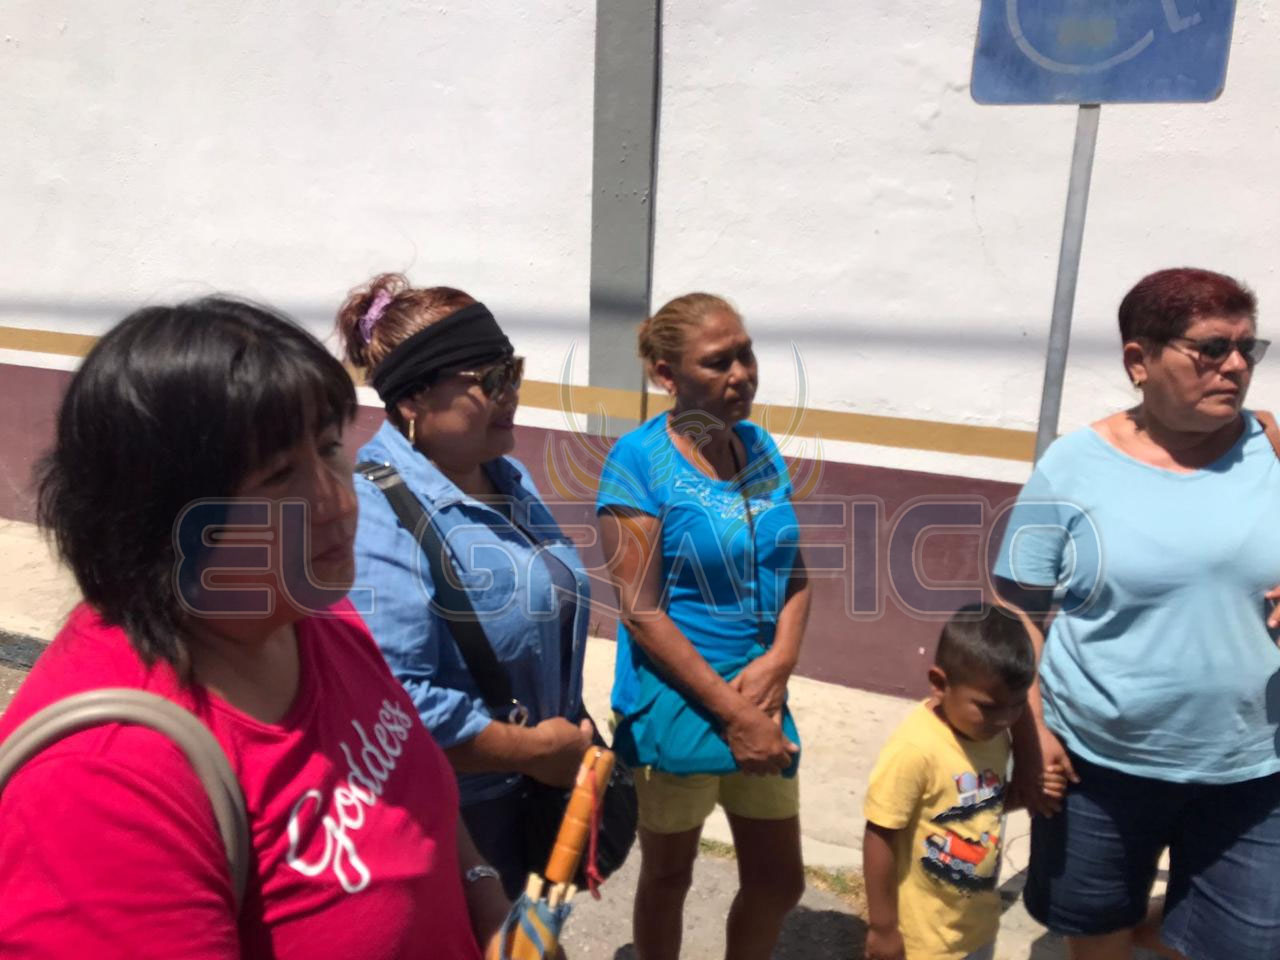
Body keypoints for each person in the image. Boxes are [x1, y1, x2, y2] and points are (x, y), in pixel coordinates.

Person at [0, 298, 505, 958]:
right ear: (162, 517)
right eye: (278, 476)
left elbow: (410, 783)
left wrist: (483, 893)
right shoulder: (102, 785)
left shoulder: (309, 611)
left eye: (329, 448)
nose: (337, 500)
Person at [994, 267, 1280, 960]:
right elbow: (1017, 607)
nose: (1236, 366)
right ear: (1138, 360)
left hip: (1253, 767)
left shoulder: (1272, 451)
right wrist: (1032, 731)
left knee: (1244, 945)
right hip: (1098, 763)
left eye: (1247, 348)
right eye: (1211, 348)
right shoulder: (1073, 465)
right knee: (1097, 933)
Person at [335, 273, 594, 899]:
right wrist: (534, 751)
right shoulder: (376, 514)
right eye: (490, 379)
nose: (512, 395)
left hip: (540, 793)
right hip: (461, 825)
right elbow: (399, 705)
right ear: (412, 400)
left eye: (514, 371)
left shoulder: (506, 475)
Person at [596, 292, 810, 960]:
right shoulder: (638, 462)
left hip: (761, 697)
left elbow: (795, 570)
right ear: (667, 374)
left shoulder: (758, 447)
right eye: (719, 362)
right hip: (680, 700)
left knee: (779, 880)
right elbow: (641, 611)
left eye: (745, 354)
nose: (741, 374)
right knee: (669, 877)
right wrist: (733, 714)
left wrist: (780, 660)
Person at [862, 604, 1054, 960]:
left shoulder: (990, 735)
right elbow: (879, 835)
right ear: (939, 684)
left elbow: (980, 807)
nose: (1005, 719)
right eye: (989, 707)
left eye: (1016, 706)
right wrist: (883, 927)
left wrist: (1028, 793)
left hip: (974, 929)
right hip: (922, 939)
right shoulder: (915, 749)